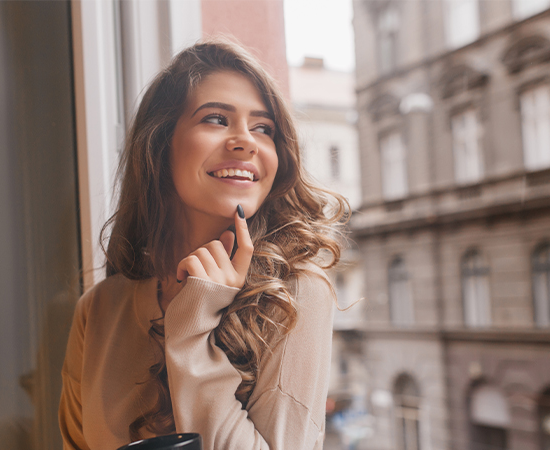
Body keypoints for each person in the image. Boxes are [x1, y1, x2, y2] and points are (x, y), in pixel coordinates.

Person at [58, 39, 348, 450]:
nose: (245, 141)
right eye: (215, 119)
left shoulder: (295, 294)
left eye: (263, 128)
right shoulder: (98, 310)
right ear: (159, 144)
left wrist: (192, 327)